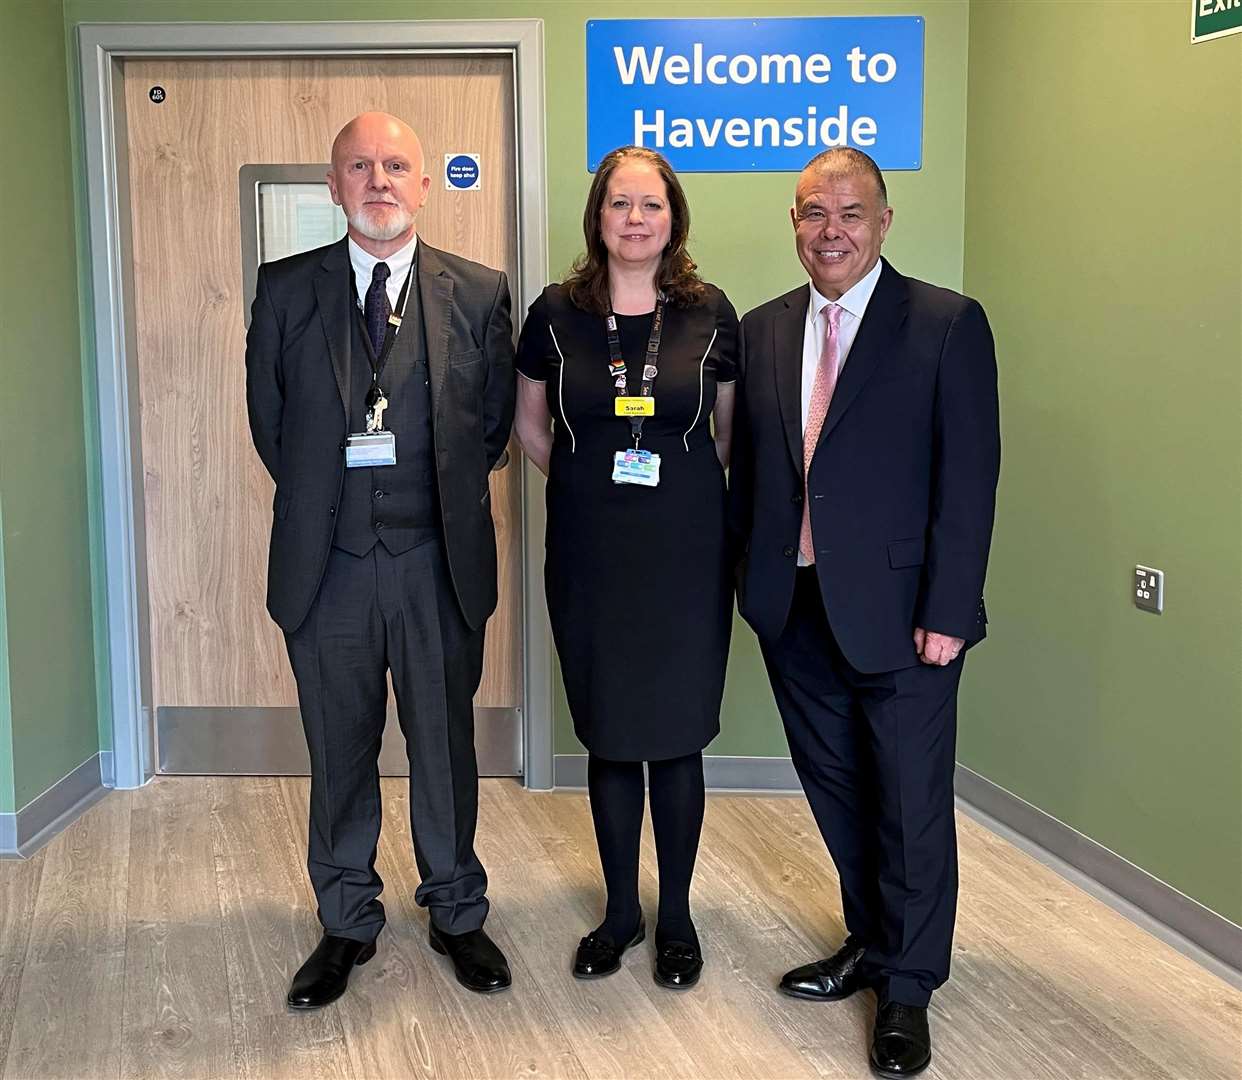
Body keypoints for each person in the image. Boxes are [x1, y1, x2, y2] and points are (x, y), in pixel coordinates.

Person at [729, 148, 1000, 1077]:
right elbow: (755, 475)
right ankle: (870, 945)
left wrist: (951, 609)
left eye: (850, 212)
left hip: (906, 615)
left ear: (884, 222)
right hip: (795, 609)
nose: (830, 230)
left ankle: (910, 988)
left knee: (911, 806)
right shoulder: (764, 330)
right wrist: (751, 588)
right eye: (813, 213)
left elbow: (968, 480)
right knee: (840, 791)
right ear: (794, 225)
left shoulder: (945, 324)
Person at [245, 112, 516, 1007]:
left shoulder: (478, 291)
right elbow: (273, 426)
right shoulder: (286, 289)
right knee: (340, 748)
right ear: (333, 185)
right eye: (359, 166)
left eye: (396, 164)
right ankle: (347, 920)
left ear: (424, 183)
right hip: (328, 568)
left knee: (445, 745)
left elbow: (487, 431)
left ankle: (456, 911)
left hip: (438, 561)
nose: (379, 180)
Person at [514, 146, 738, 989]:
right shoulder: (556, 313)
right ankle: (619, 913)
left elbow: (729, 438)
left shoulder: (711, 313)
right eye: (619, 204)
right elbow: (533, 427)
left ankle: (675, 916)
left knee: (676, 740)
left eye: (651, 204)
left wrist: (665, 497)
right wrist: (588, 489)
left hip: (685, 556)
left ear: (673, 217)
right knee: (610, 736)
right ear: (596, 217)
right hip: (591, 553)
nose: (635, 219)